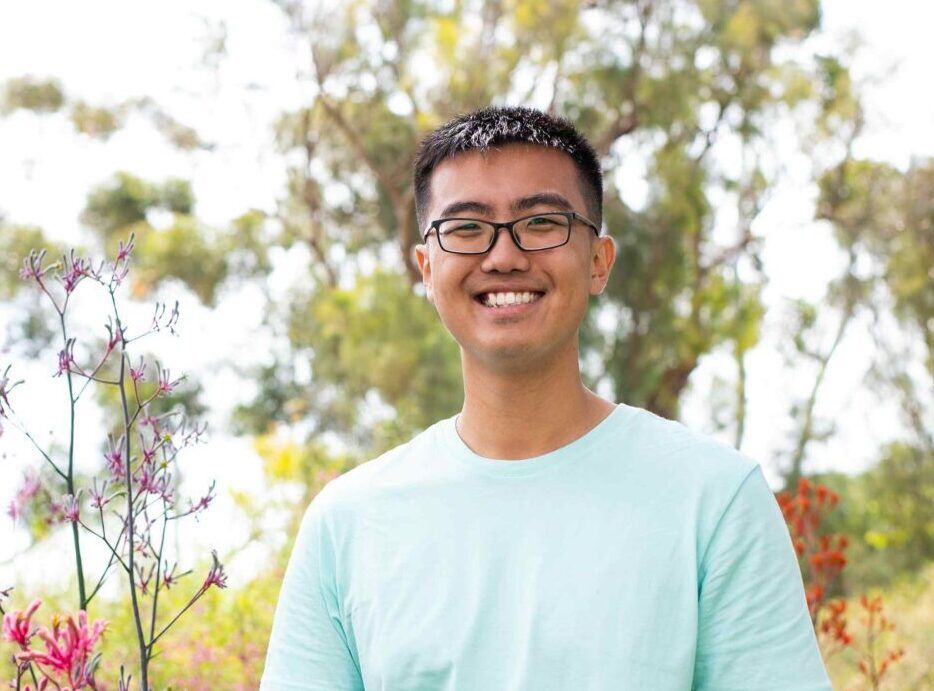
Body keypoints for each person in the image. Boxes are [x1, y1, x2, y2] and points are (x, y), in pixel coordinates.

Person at [260, 106, 832, 690]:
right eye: (466, 228)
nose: (503, 255)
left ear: (599, 261)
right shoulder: (348, 523)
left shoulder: (714, 500)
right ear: (426, 270)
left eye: (540, 223)